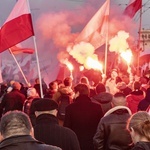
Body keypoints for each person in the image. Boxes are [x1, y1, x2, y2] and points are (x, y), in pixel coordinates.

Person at [64, 83, 103, 150]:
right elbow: (101, 126)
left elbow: (67, 128)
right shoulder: (97, 107)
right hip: (93, 143)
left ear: (77, 93)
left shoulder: (69, 108)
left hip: (76, 143)